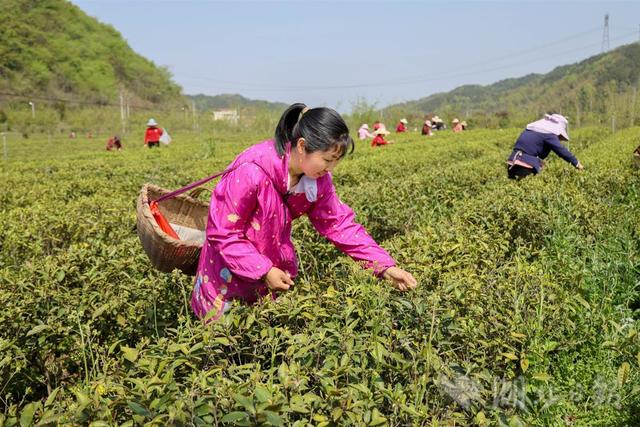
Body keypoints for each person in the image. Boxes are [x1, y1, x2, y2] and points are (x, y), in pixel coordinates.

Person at [191, 103, 417, 320]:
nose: (330, 169)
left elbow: (339, 224)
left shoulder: (318, 182)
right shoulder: (250, 172)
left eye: (335, 161)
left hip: (270, 270)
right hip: (226, 274)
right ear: (301, 146)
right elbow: (223, 233)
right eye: (327, 160)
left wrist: (385, 267)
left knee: (258, 342)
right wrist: (263, 270)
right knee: (221, 345)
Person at [506, 113, 583, 180]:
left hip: (513, 161)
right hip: (525, 165)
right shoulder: (548, 135)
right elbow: (561, 151)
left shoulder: (534, 130)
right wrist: (576, 163)